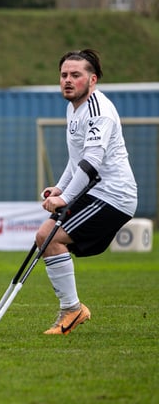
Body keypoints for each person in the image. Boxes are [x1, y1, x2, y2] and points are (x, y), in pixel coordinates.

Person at [35, 49, 137, 336]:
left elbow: (91, 163)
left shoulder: (98, 111)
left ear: (92, 80)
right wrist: (60, 187)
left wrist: (65, 198)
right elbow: (76, 158)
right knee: (46, 237)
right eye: (64, 75)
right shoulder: (73, 108)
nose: (67, 80)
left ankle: (72, 310)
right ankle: (72, 308)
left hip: (113, 196)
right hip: (97, 192)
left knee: (49, 237)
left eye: (75, 75)